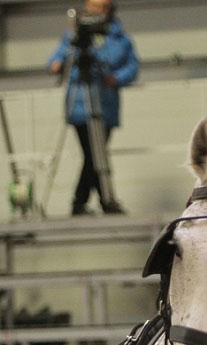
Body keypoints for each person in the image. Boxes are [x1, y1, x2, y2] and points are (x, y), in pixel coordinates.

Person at [47, 0, 138, 216]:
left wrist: (115, 78)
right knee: (93, 154)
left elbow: (132, 67)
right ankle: (103, 201)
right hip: (79, 105)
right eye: (90, 8)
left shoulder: (120, 39)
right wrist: (59, 63)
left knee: (96, 154)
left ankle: (87, 202)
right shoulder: (73, 37)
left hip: (104, 106)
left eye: (98, 9)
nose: (93, 13)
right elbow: (55, 60)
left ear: (108, 10)